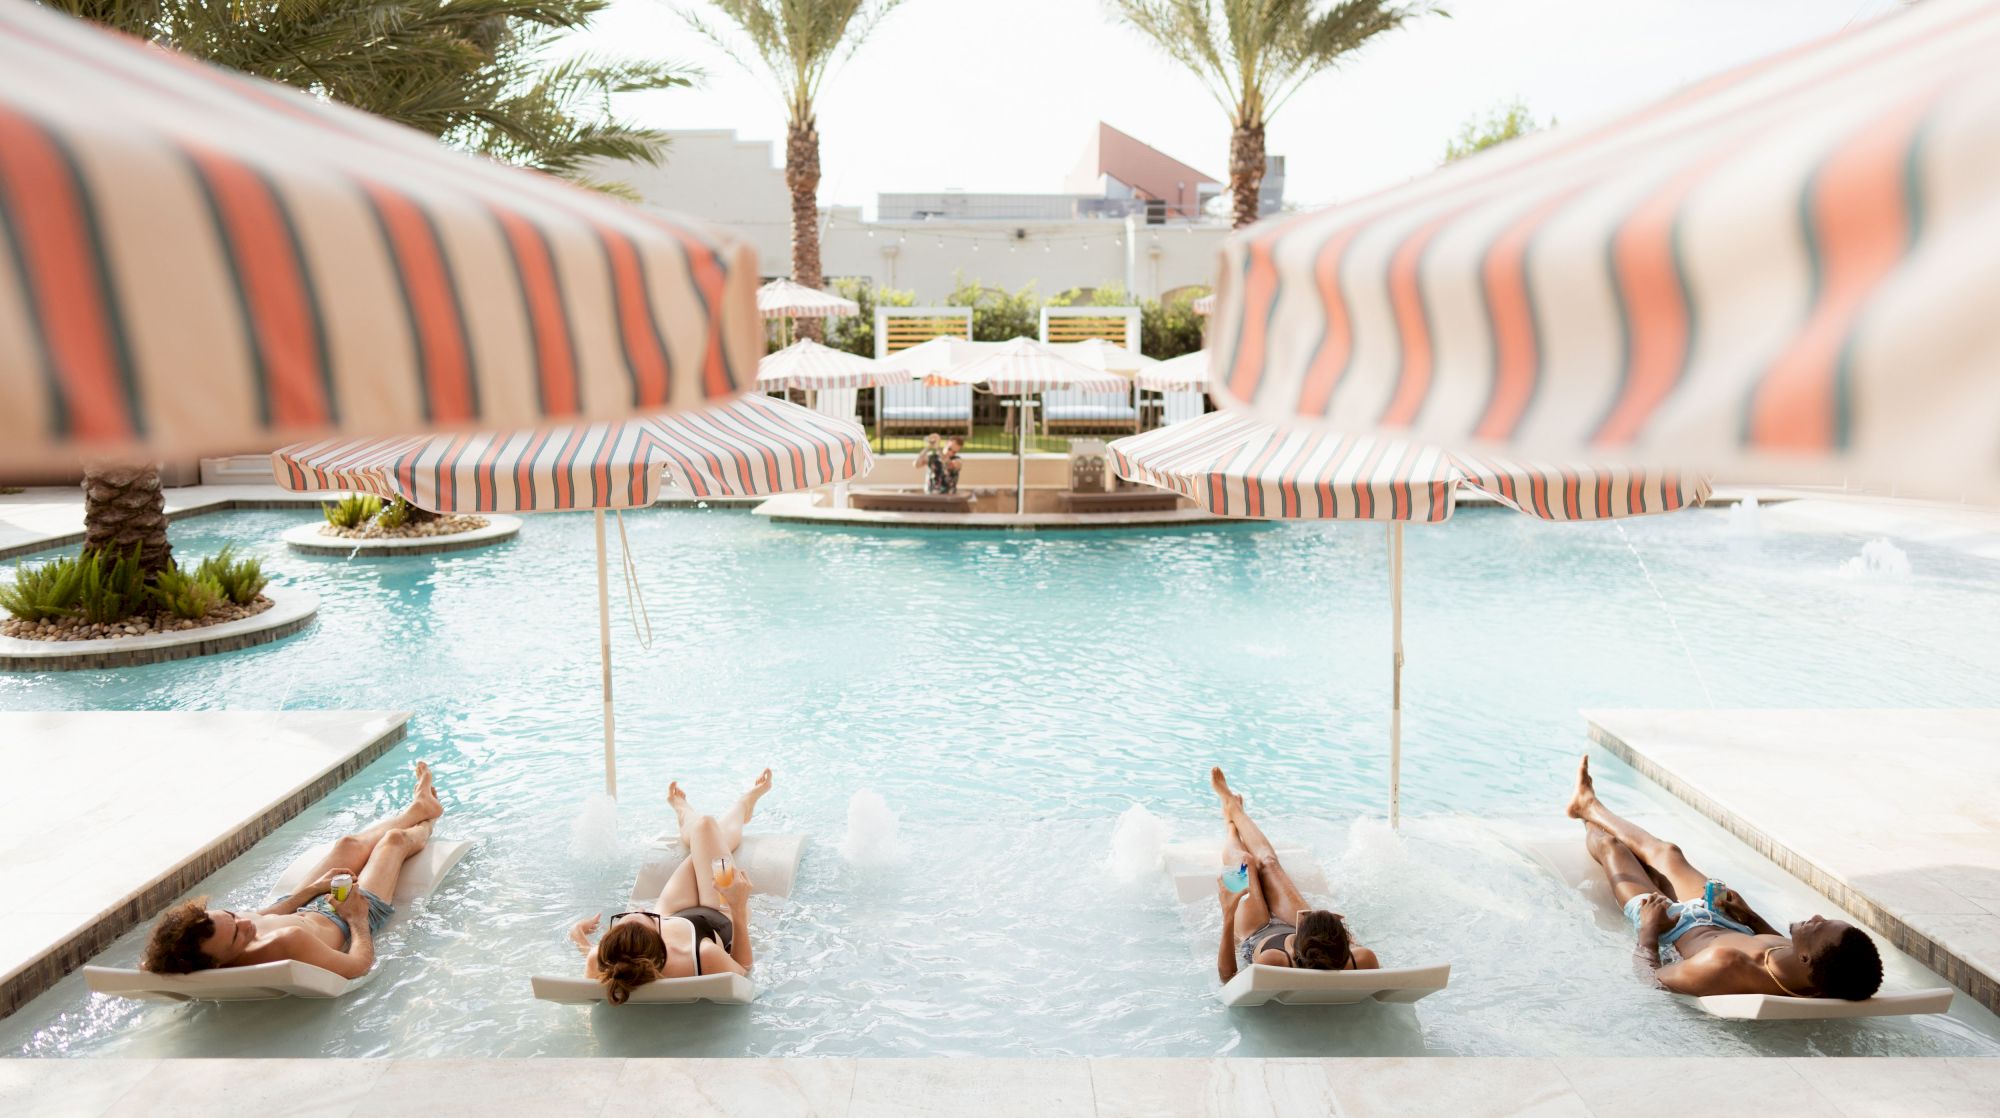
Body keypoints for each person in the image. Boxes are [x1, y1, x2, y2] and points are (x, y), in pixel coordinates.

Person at [1567, 756, 1882, 1000]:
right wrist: (1750, 916)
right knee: (1669, 853)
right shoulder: (1809, 971)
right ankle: (1588, 804)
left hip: (1670, 925)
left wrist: (1648, 931)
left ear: (1806, 957)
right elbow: (1777, 946)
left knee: (1612, 847)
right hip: (1722, 918)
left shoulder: (1723, 965)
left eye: (1819, 927)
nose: (1815, 917)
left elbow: (1650, 981)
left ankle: (1587, 819)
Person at [140, 761, 444, 980]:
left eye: (232, 917)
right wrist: (357, 918)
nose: (245, 923)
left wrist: (313, 889)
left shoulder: (214, 941)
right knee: (392, 842)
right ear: (218, 965)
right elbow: (358, 966)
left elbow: (266, 914)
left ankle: (417, 809)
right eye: (237, 936)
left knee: (347, 844)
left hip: (309, 904)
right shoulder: (284, 944)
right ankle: (428, 820)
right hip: (346, 916)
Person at [569, 769, 770, 1004]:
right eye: (652, 918)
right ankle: (742, 806)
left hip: (674, 911)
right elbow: (743, 970)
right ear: (660, 939)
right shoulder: (703, 955)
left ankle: (687, 814)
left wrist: (579, 939)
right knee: (706, 828)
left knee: (704, 836)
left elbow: (612, 966)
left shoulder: (600, 960)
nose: (642, 909)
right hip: (720, 913)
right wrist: (738, 907)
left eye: (629, 915)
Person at [1210, 767, 1379, 984]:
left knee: (1246, 863)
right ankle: (1235, 811)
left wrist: (1228, 914)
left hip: (1256, 930)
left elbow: (1229, 979)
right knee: (1269, 863)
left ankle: (1230, 826)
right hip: (1313, 941)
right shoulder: (1363, 959)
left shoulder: (1274, 961)